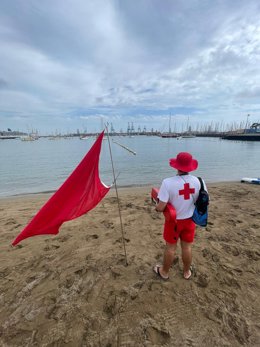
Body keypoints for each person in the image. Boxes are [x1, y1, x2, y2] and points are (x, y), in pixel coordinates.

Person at [153, 152, 208, 280]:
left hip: (174, 222)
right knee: (187, 247)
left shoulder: (167, 183)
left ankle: (164, 272)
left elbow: (161, 207)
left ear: (176, 166)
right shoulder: (200, 181)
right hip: (190, 221)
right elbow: (202, 200)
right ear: (190, 166)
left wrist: (156, 207)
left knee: (170, 248)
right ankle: (187, 272)